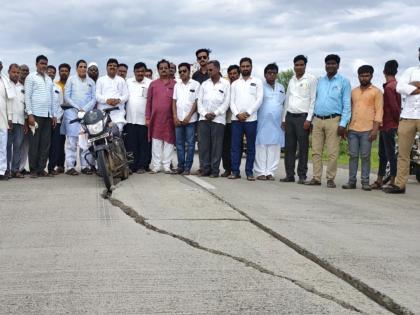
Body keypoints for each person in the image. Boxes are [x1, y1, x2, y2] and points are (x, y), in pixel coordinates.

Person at [305, 54, 351, 188]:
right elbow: (313, 101)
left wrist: (343, 124)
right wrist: (311, 119)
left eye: (333, 63)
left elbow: (347, 105)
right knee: (316, 151)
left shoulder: (344, 82)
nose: (330, 66)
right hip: (318, 120)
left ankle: (330, 178)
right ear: (325, 65)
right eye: (328, 63)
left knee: (332, 152)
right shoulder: (319, 81)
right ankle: (316, 178)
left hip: (334, 120)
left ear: (338, 65)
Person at [384, 47, 420, 194]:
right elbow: (400, 87)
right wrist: (415, 86)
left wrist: (414, 85)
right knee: (403, 153)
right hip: (407, 116)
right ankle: (400, 185)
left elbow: (406, 87)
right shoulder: (410, 70)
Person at [342, 65, 383, 191]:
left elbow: (379, 112)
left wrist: (375, 130)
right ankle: (351, 181)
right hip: (353, 129)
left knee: (365, 156)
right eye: (361, 75)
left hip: (368, 130)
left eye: (367, 75)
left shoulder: (376, 92)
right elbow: (348, 110)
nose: (364, 78)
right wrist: (345, 127)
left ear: (371, 76)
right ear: (358, 76)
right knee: (353, 156)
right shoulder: (353, 92)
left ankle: (365, 182)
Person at [281, 55, 317, 184]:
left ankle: (302, 175)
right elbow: (287, 100)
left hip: (303, 118)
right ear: (294, 66)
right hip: (290, 116)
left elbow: (313, 100)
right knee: (289, 147)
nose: (299, 67)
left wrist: (309, 119)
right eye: (297, 65)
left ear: (305, 66)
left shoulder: (311, 79)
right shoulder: (291, 80)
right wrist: (284, 118)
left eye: (301, 65)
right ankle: (289, 175)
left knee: (302, 148)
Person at [229, 57, 263, 181]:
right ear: (240, 68)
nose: (245, 68)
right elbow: (231, 101)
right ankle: (235, 171)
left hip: (251, 119)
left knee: (250, 147)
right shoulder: (235, 83)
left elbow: (259, 99)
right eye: (243, 66)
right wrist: (238, 114)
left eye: (247, 66)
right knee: (235, 147)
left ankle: (249, 172)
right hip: (236, 119)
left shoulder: (257, 81)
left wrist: (248, 113)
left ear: (251, 67)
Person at [25, 55, 57, 178]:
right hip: (36, 115)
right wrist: (30, 114)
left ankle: (41, 169)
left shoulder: (49, 79)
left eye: (45, 64)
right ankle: (33, 170)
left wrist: (53, 115)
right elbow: (27, 97)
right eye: (42, 63)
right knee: (34, 143)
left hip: (47, 115)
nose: (44, 66)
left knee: (45, 144)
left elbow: (51, 98)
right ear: (36, 64)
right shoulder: (31, 77)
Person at [197, 60, 230, 177]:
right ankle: (206, 169)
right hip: (203, 119)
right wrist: (205, 113)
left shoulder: (226, 84)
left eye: (211, 70)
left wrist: (215, 113)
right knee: (204, 146)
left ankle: (215, 170)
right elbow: (199, 102)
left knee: (216, 146)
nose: (209, 72)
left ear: (218, 69)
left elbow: (226, 102)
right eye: (208, 70)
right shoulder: (204, 84)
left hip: (218, 120)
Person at [370, 60, 401, 189]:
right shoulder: (396, 85)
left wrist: (396, 122)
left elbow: (394, 108)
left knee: (387, 154)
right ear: (396, 71)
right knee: (385, 154)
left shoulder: (389, 87)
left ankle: (392, 181)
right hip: (387, 125)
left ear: (383, 72)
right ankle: (381, 179)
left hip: (388, 125)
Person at [63, 59, 96, 175]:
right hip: (72, 114)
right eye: (80, 66)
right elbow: (67, 97)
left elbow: (94, 98)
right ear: (77, 68)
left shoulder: (91, 82)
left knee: (85, 142)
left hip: (86, 115)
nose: (83, 69)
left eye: (84, 67)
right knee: (71, 142)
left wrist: (84, 109)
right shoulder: (71, 80)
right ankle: (70, 166)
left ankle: (85, 166)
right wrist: (77, 108)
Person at [254, 63, 285, 180]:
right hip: (262, 122)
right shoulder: (260, 86)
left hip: (276, 123)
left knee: (274, 147)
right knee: (261, 146)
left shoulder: (281, 87)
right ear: (265, 74)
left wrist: (283, 119)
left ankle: (270, 172)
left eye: (274, 73)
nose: (271, 75)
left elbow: (283, 103)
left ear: (276, 74)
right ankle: (260, 172)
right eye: (269, 73)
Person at [145, 59, 176, 174]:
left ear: (169, 69)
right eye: (161, 68)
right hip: (156, 118)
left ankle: (167, 166)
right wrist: (147, 117)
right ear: (158, 70)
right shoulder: (153, 84)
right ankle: (156, 166)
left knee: (169, 142)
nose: (163, 70)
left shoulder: (175, 84)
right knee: (156, 142)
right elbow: (149, 102)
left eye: (165, 68)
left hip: (170, 119)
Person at [172, 62, 200, 175]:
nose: (182, 73)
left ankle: (187, 168)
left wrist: (189, 116)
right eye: (180, 71)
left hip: (190, 120)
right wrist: (174, 116)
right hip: (178, 119)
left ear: (189, 71)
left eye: (184, 71)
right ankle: (180, 166)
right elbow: (174, 101)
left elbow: (196, 102)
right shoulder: (177, 85)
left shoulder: (196, 84)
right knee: (179, 144)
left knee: (190, 144)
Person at [125, 62, 152, 174]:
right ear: (134, 72)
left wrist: (149, 118)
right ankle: (132, 166)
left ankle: (142, 165)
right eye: (138, 71)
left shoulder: (150, 83)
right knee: (131, 144)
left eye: (142, 71)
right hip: (130, 119)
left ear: (145, 72)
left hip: (144, 120)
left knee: (144, 144)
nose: (140, 73)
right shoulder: (128, 82)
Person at [48, 63, 70, 175]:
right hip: (55, 119)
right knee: (56, 143)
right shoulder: (55, 85)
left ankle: (65, 165)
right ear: (59, 72)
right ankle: (56, 165)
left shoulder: (71, 85)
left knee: (67, 142)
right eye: (62, 70)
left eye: (66, 71)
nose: (64, 72)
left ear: (69, 72)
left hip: (69, 117)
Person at [96, 58, 128, 132]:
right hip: (103, 113)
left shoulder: (121, 80)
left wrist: (119, 100)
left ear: (117, 68)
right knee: (104, 137)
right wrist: (107, 100)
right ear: (106, 67)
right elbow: (97, 96)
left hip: (118, 114)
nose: (112, 67)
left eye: (114, 66)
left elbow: (126, 96)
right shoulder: (101, 80)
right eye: (110, 65)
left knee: (117, 136)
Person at [6, 64, 25, 178]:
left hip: (20, 121)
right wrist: (8, 119)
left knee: (18, 146)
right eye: (13, 72)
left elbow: (24, 105)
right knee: (7, 146)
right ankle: (6, 169)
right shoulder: (5, 85)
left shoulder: (22, 87)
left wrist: (26, 122)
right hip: (8, 121)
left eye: (18, 72)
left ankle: (15, 169)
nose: (16, 74)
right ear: (9, 72)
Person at [221, 64, 240, 177]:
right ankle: (227, 169)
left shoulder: (242, 86)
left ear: (239, 74)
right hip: (227, 121)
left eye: (235, 73)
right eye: (231, 74)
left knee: (236, 147)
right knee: (226, 147)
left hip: (238, 121)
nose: (233, 76)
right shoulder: (226, 86)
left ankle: (235, 169)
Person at [0, 59, 14, 180]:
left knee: (2, 147)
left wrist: (10, 118)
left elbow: (9, 101)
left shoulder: (5, 81)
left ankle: (2, 170)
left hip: (3, 120)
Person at [18, 64, 30, 175]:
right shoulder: (14, 85)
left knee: (25, 145)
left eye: (27, 71)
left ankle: (21, 167)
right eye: (23, 70)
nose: (25, 72)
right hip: (17, 120)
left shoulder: (28, 86)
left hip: (27, 119)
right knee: (17, 144)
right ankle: (14, 167)